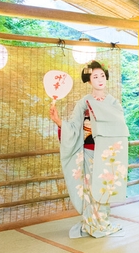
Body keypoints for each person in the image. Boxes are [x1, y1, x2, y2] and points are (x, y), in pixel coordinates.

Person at [49, 60, 129, 238]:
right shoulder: (84, 102)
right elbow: (73, 127)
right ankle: (91, 222)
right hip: (89, 151)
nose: (100, 79)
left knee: (103, 187)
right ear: (89, 80)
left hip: (106, 152)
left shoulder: (113, 103)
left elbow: (120, 126)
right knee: (90, 189)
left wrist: (98, 116)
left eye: (102, 75)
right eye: (95, 76)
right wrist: (58, 121)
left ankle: (102, 221)